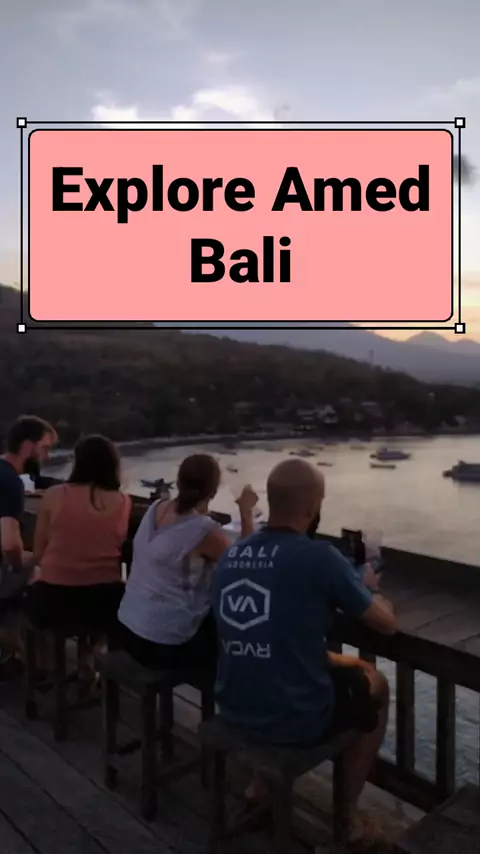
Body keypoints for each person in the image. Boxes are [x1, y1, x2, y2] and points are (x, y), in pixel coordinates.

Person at [213, 458, 397, 846]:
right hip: (293, 721)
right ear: (314, 506)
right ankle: (345, 818)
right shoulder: (320, 557)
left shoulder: (233, 553)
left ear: (272, 500)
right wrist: (372, 590)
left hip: (231, 707)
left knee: (293, 664)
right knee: (377, 687)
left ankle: (258, 789)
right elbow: (385, 624)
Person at [117, 453, 258, 678]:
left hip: (128, 630)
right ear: (212, 492)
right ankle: (221, 693)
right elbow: (244, 561)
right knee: (233, 632)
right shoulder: (203, 530)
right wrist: (246, 512)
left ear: (179, 481)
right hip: (163, 643)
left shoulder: (156, 508)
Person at [28, 435, 131, 689]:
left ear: (78, 463)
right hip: (104, 603)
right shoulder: (123, 502)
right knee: (111, 598)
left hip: (55, 602)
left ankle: (44, 666)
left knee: (34, 590)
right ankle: (88, 660)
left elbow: (39, 553)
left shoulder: (53, 495)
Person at [0, 416, 57, 673]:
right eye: (44, 448)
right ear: (27, 446)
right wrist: (25, 563)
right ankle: (39, 664)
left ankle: (13, 650)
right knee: (43, 574)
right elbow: (9, 545)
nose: (47, 455)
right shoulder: (10, 482)